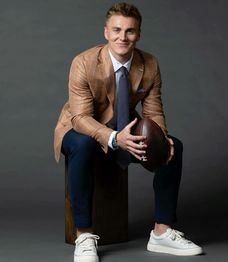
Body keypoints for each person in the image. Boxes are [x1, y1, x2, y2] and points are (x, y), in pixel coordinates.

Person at [54, 2, 203, 262]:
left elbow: (154, 112)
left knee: (173, 147)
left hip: (126, 128)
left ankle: (161, 232)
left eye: (130, 31)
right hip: (80, 129)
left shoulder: (150, 63)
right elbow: (80, 117)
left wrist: (162, 137)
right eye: (117, 30)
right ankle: (84, 235)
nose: (123, 37)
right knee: (84, 144)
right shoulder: (84, 62)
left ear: (139, 34)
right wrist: (113, 138)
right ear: (106, 32)